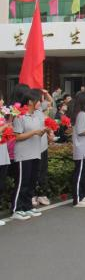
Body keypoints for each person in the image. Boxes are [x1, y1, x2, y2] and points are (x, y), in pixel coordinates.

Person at [11, 89, 53, 219]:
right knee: (22, 183)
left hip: (36, 153)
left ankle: (27, 207)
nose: (40, 103)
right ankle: (17, 209)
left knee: (31, 182)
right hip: (23, 155)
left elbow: (40, 130)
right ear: (30, 102)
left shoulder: (36, 115)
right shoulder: (20, 116)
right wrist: (34, 132)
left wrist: (46, 131)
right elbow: (17, 136)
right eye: (38, 100)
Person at [0, 92, 10, 226]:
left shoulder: (2, 115)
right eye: (0, 100)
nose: (2, 102)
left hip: (3, 155)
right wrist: (4, 127)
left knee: (1, 185)